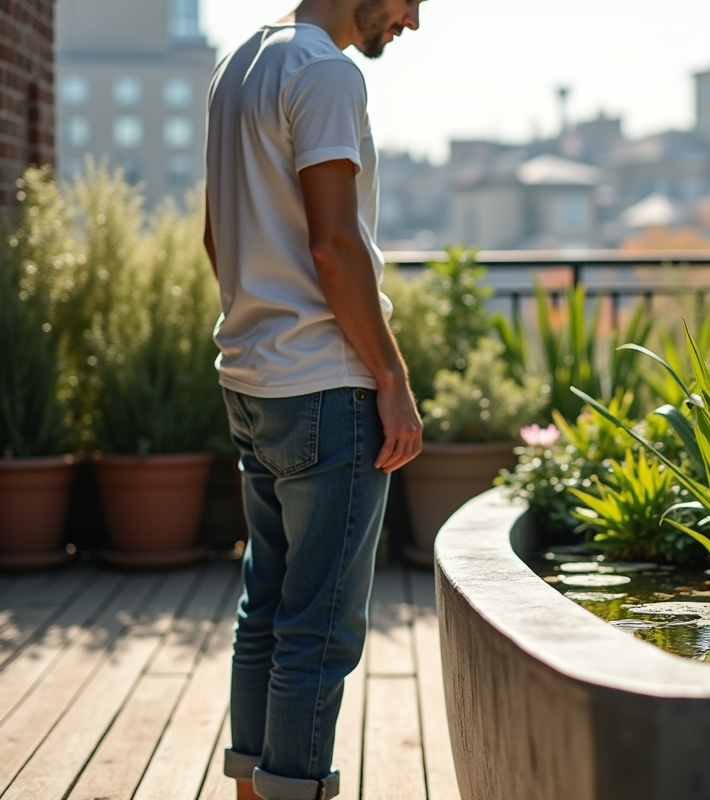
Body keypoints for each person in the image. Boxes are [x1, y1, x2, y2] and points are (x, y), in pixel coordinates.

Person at [202, 1, 425, 798]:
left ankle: (251, 789)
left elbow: (214, 238)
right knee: (320, 628)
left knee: (266, 605)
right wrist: (392, 382)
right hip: (326, 387)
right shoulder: (328, 72)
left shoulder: (238, 67)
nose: (413, 20)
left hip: (252, 379)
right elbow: (334, 247)